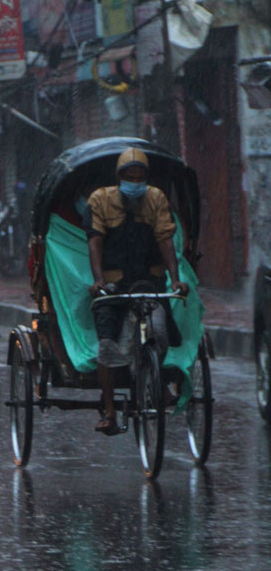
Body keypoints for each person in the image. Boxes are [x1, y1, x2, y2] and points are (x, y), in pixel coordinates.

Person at [85, 147, 188, 435]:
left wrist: (176, 278)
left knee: (160, 332)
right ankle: (108, 411)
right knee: (106, 346)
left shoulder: (155, 198)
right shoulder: (101, 200)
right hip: (114, 285)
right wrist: (99, 281)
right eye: (128, 176)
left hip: (149, 282)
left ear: (147, 178)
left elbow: (166, 239)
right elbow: (95, 242)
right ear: (119, 178)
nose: (134, 181)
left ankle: (158, 381)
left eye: (139, 176)